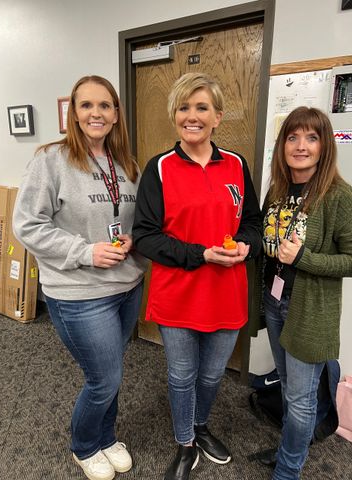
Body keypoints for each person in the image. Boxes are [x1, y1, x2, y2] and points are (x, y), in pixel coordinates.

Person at [13, 75, 147, 480]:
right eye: (86, 105)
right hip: (79, 293)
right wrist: (85, 252)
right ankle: (85, 445)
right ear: (73, 112)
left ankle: (106, 437)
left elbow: (135, 218)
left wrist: (133, 236)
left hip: (127, 285)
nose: (96, 113)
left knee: (114, 371)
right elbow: (27, 225)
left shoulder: (125, 163)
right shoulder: (50, 159)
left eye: (105, 105)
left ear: (116, 114)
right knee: (103, 378)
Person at [132, 72, 262, 480]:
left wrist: (246, 246)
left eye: (201, 107)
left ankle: (200, 426)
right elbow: (145, 238)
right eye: (184, 108)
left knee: (210, 375)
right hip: (178, 295)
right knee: (181, 375)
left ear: (217, 116)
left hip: (226, 292)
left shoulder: (237, 165)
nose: (192, 116)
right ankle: (184, 443)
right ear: (175, 116)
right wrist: (200, 254)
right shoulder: (160, 168)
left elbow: (254, 224)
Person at [250, 106, 352, 479]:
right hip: (275, 302)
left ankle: (288, 470)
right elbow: (264, 240)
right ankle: (286, 452)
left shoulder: (339, 196)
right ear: (283, 145)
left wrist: (306, 258)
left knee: (301, 399)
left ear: (324, 145)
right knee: (289, 386)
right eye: (293, 137)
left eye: (311, 137)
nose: (301, 145)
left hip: (309, 311)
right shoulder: (277, 190)